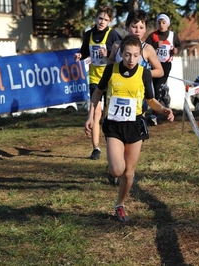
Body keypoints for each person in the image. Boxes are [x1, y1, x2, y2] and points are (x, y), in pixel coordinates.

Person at [85, 35, 174, 222]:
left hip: (135, 125)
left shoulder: (144, 73)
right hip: (114, 126)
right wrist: (91, 115)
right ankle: (111, 169)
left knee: (128, 173)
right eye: (127, 55)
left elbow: (150, 100)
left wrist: (163, 109)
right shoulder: (111, 70)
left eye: (135, 55)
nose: (131, 60)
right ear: (120, 54)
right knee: (117, 170)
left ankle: (119, 205)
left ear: (141, 56)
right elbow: (98, 92)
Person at [74, 5, 122, 160]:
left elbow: (120, 54)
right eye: (100, 18)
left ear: (110, 22)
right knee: (96, 111)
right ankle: (96, 148)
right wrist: (80, 55)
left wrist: (108, 53)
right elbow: (85, 51)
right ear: (95, 19)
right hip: (95, 77)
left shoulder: (113, 34)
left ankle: (114, 142)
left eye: (106, 20)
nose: (102, 22)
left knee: (110, 112)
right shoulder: (89, 34)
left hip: (110, 76)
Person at [108, 9, 164, 119]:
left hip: (139, 95)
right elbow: (110, 61)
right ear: (127, 27)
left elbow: (160, 71)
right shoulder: (117, 46)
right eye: (134, 27)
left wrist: (144, 73)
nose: (137, 30)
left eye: (141, 27)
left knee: (137, 126)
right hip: (118, 93)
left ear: (145, 30)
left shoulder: (147, 49)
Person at [146, 13, 182, 125]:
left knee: (157, 88)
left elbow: (179, 46)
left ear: (168, 24)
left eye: (163, 22)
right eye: (159, 22)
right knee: (152, 88)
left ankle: (154, 115)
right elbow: (146, 47)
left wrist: (176, 50)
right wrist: (156, 45)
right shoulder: (153, 36)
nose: (161, 25)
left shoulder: (173, 35)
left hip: (165, 66)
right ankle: (164, 92)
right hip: (154, 65)